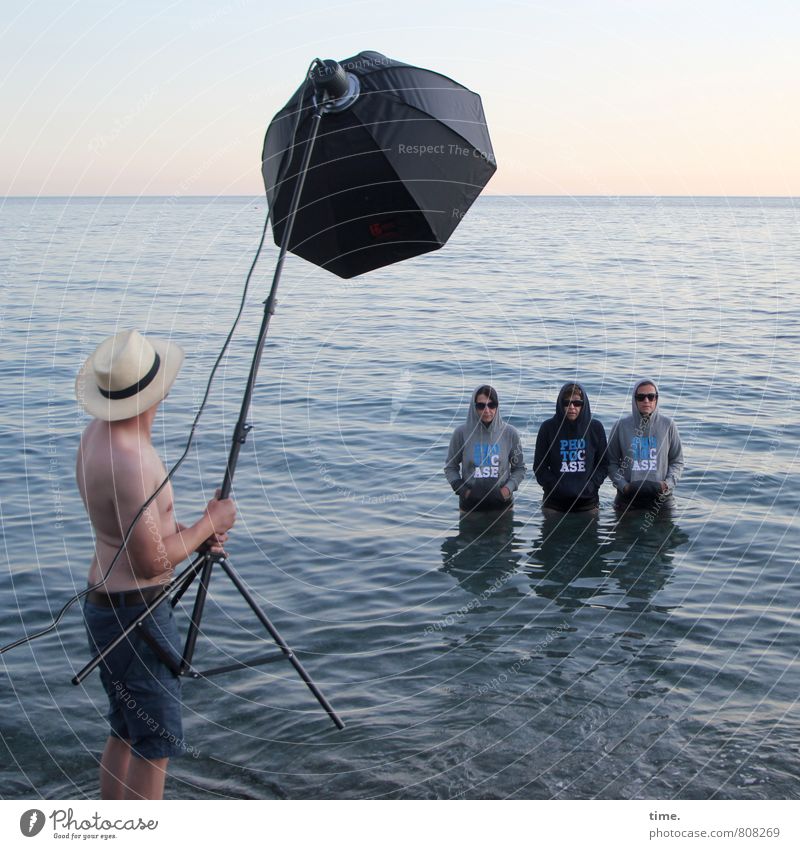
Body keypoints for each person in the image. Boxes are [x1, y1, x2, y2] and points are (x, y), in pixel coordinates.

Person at [75, 329, 236, 800]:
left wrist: (192, 532)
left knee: (125, 727)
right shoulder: (132, 461)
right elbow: (151, 561)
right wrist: (210, 522)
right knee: (156, 741)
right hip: (136, 614)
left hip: (107, 607)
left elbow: (132, 531)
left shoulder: (96, 436)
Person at [607, 378, 684, 512]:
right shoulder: (621, 426)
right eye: (641, 397)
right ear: (634, 399)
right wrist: (623, 486)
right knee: (622, 532)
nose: (646, 401)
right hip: (628, 497)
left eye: (651, 396)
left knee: (666, 532)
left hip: (661, 496)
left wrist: (667, 484)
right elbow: (610, 462)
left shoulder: (668, 425)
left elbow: (677, 461)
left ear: (656, 399)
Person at [444, 385, 525, 512]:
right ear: (473, 406)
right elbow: (450, 467)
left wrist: (506, 490)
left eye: (492, 405)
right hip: (470, 507)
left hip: (502, 507)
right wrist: (464, 491)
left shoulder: (510, 433)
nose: (487, 410)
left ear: (497, 406)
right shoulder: (461, 433)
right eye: (481, 406)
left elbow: (519, 468)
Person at [533, 382, 608, 515]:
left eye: (577, 403)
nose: (572, 407)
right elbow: (540, 467)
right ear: (560, 404)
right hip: (554, 502)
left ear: (583, 404)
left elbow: (604, 465)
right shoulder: (548, 428)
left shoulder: (595, 428)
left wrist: (591, 486)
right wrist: (555, 487)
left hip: (587, 502)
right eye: (566, 403)